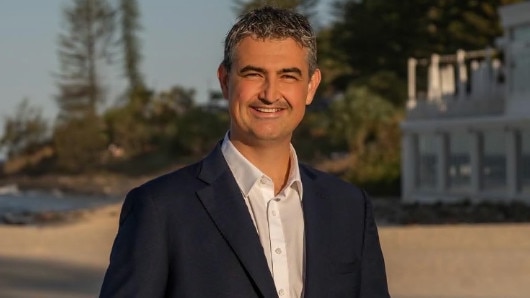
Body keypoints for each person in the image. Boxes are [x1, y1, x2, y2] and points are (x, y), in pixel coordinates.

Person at [100, 6, 390, 298]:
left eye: (288, 76)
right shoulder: (159, 209)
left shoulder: (350, 207)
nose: (270, 93)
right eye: (254, 74)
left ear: (311, 86)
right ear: (225, 81)